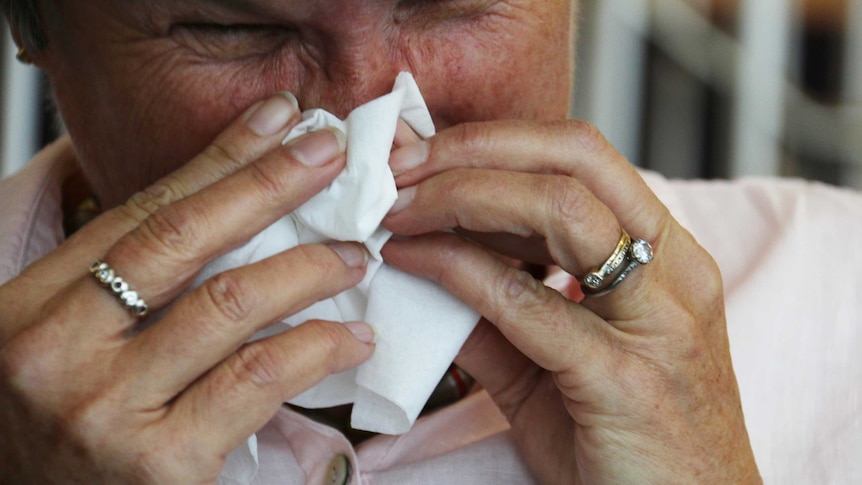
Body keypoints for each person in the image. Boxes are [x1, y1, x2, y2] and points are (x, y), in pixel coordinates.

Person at [1, 0, 860, 483]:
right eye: (235, 31)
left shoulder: (836, 300)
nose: (373, 123)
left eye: (452, 1)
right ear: (38, 34)